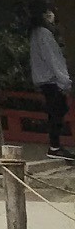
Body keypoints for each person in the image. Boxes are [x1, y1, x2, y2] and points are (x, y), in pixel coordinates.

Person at [32, 8, 71, 159]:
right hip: (52, 80)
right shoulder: (44, 34)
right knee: (57, 112)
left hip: (45, 80)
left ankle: (55, 145)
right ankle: (54, 146)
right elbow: (53, 59)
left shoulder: (35, 33)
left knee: (55, 112)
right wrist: (65, 81)